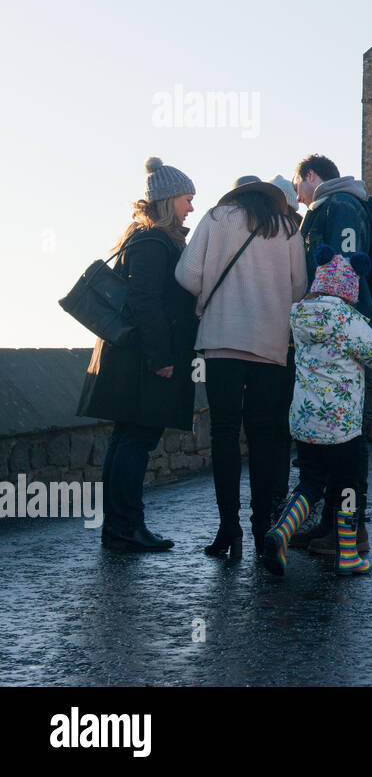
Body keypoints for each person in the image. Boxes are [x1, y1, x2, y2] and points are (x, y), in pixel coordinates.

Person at [262, 248, 372, 577]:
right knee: (349, 488)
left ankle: (281, 532)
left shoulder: (299, 315)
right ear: (349, 288)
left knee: (308, 483)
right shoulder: (349, 320)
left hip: (305, 420)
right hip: (342, 424)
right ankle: (348, 555)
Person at [175, 176, 307, 559]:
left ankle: (228, 528)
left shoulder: (216, 219)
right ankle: (264, 525)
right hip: (270, 345)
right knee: (266, 437)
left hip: (221, 341)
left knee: (224, 434)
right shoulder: (286, 228)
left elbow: (187, 275)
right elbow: (299, 287)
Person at [78, 157, 199, 553]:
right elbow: (147, 303)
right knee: (136, 441)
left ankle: (120, 526)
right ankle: (126, 526)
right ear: (167, 200)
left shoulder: (146, 239)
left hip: (132, 358)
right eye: (187, 198)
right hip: (142, 362)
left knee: (125, 440)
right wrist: (162, 357)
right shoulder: (152, 242)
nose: (192, 207)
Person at [293, 154, 372, 552]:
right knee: (340, 439)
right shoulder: (339, 205)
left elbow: (346, 266)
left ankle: (351, 530)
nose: (298, 197)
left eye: (299, 185)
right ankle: (332, 523)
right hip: (344, 324)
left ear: (311, 177)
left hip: (345, 327)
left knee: (349, 442)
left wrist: (330, 318)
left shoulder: (340, 206)